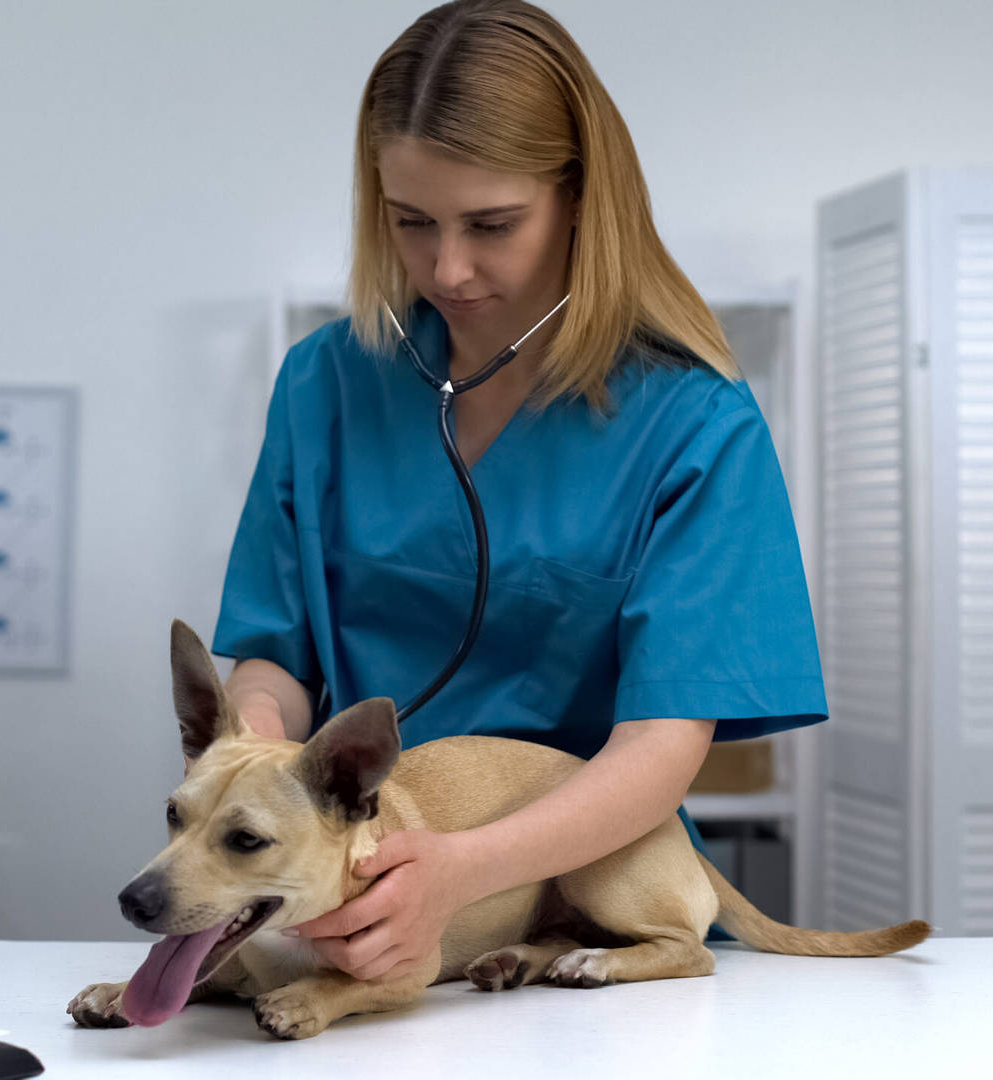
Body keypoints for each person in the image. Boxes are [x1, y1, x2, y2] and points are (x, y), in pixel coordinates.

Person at [209, 0, 825, 984]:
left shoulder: (696, 420)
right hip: (358, 888)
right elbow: (272, 658)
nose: (449, 268)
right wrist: (253, 760)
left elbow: (664, 742)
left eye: (493, 224)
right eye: (411, 223)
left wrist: (463, 869)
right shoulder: (324, 382)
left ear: (582, 197)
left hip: (576, 900)